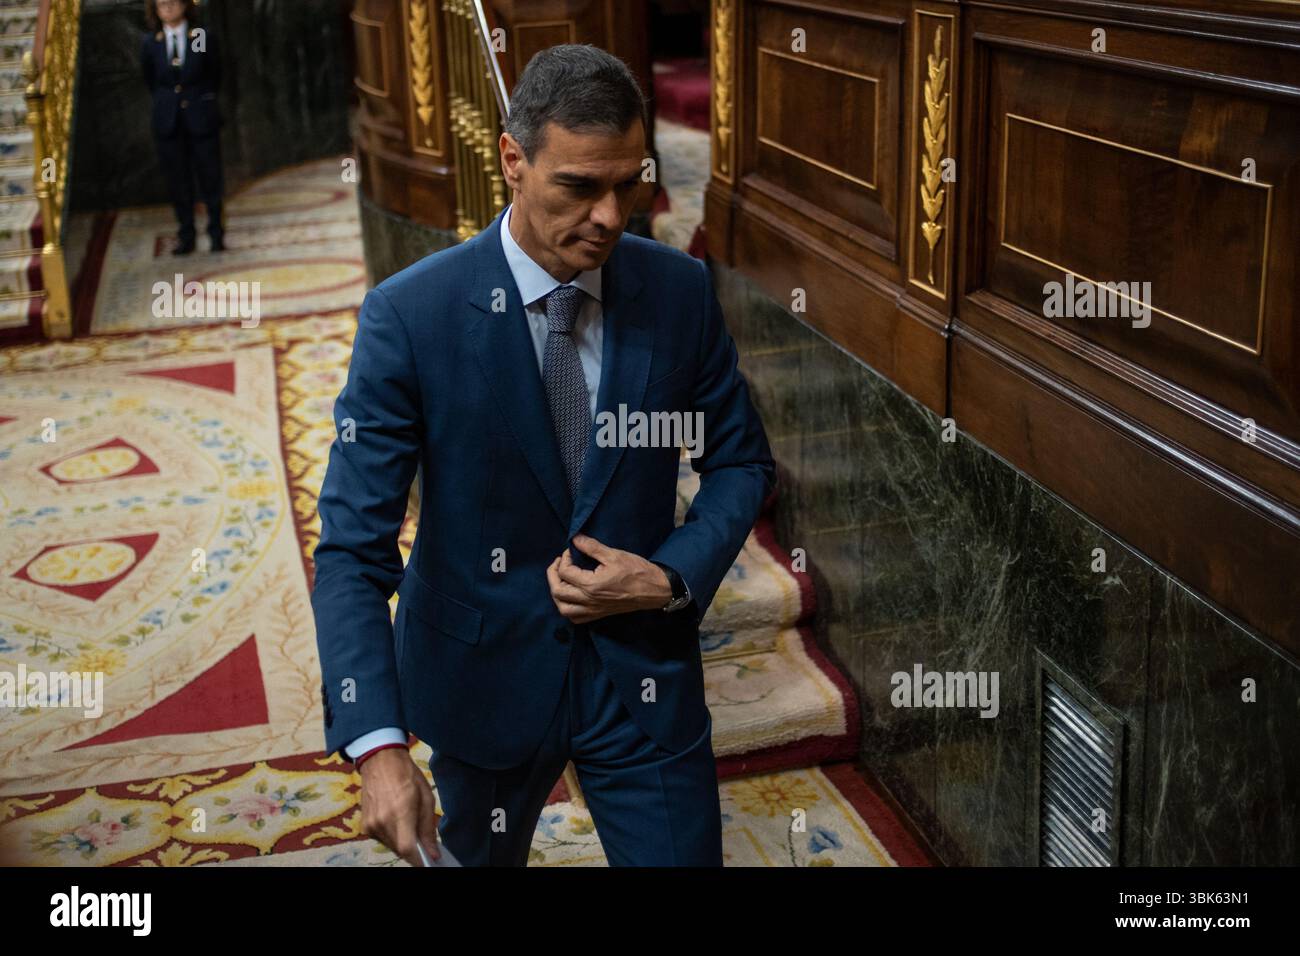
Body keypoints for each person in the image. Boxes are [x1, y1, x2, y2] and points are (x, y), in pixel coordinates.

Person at [311, 44, 775, 867]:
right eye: (580, 186)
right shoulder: (409, 318)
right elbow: (353, 552)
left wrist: (668, 577)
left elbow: (739, 464)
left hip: (640, 683)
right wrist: (377, 746)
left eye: (629, 183)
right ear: (512, 162)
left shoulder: (676, 292)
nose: (610, 215)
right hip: (478, 683)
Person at [140, 0, 225, 254]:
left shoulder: (198, 36)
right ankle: (186, 234)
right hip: (169, 122)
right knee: (178, 180)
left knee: (210, 177)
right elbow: (151, 80)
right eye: (161, 4)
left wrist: (199, 100)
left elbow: (212, 72)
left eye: (172, 3)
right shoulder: (151, 42)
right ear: (155, 9)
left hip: (200, 118)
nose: (167, 8)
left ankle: (216, 233)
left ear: (185, 5)